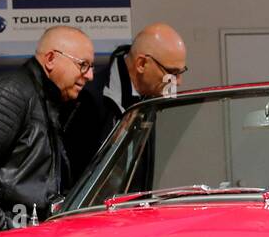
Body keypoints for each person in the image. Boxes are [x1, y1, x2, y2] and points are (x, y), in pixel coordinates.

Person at [0, 26, 93, 234]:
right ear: (50, 59)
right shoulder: (10, 92)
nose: (90, 75)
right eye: (83, 65)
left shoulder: (44, 100)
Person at [63, 22, 187, 177]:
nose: (178, 81)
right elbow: (74, 175)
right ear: (141, 64)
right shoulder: (90, 98)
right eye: (172, 72)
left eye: (181, 72)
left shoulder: (152, 97)